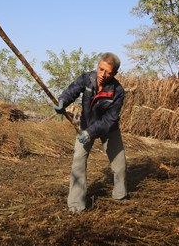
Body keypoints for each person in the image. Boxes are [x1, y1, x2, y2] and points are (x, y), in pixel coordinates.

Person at [54, 52, 127, 213]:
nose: (102, 75)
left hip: (109, 128)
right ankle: (76, 204)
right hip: (86, 125)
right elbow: (71, 91)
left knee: (119, 165)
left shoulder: (118, 91)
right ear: (98, 66)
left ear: (115, 73)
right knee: (78, 160)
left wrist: (90, 133)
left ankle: (120, 195)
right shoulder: (87, 79)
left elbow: (109, 119)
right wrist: (62, 101)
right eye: (101, 69)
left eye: (108, 72)